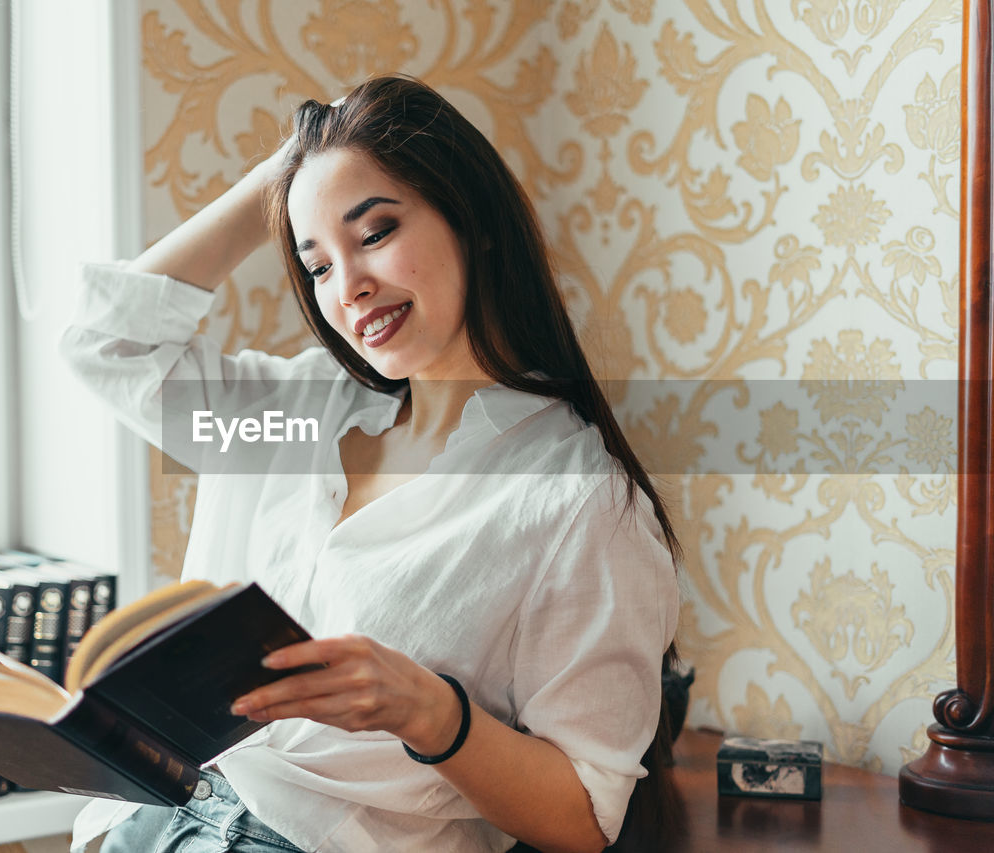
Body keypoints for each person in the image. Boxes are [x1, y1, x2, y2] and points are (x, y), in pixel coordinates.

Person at [62, 75, 680, 853]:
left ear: (473, 219)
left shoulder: (576, 499)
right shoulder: (304, 408)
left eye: (375, 231)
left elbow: (585, 817)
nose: (348, 287)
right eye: (317, 265)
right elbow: (107, 346)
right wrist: (295, 170)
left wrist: (429, 711)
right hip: (153, 813)